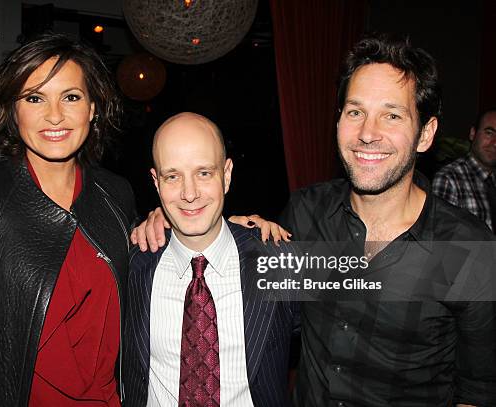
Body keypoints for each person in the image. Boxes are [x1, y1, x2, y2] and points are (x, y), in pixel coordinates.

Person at [136, 34, 496, 406]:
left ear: (425, 134)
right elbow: (249, 279)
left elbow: (478, 390)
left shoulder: (470, 250)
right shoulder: (306, 213)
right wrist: (170, 216)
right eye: (355, 112)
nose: (368, 134)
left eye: (391, 115)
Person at [0, 33, 136, 406]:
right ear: (14, 111)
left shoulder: (117, 194)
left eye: (71, 97)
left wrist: (233, 232)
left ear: (93, 108)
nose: (54, 115)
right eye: (34, 98)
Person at [124, 112, 300, 406]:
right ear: (156, 182)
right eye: (173, 176)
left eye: (203, 173)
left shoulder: (278, 259)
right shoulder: (131, 263)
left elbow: (382, 276)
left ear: (226, 174)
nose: (189, 193)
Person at [432, 107, 496, 232]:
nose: (495, 143)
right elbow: (441, 239)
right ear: (473, 133)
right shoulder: (449, 179)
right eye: (489, 133)